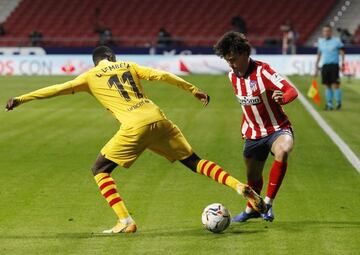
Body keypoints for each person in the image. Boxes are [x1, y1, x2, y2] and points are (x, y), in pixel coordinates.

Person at [5, 46, 266, 234]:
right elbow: (161, 75)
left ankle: (125, 220)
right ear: (110, 58)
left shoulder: (89, 76)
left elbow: (56, 89)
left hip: (133, 125)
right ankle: (237, 185)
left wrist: (21, 99)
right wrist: (193, 89)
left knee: (100, 169)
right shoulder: (129, 66)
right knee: (194, 161)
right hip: (158, 117)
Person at [213, 32, 298, 222]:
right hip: (252, 134)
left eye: (234, 60)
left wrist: (283, 98)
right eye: (228, 61)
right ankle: (251, 211)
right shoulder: (231, 76)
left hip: (277, 129)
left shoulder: (263, 71)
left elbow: (291, 91)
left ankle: (267, 204)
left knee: (283, 151)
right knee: (253, 179)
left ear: (244, 53)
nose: (231, 65)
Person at [315, 25, 345, 110]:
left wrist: (343, 64)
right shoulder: (321, 42)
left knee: (336, 85)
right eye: (325, 31)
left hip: (334, 65)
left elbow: (342, 52)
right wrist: (316, 66)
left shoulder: (336, 41)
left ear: (331, 32)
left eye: (328, 31)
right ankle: (329, 104)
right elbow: (319, 54)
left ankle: (339, 104)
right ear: (323, 32)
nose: (326, 33)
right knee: (327, 85)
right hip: (325, 66)